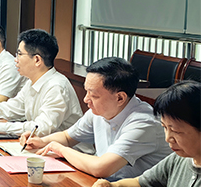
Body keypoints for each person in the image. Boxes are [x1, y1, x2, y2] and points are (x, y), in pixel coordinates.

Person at [89, 81, 201, 187]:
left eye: (176, 131)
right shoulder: (179, 159)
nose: (168, 138)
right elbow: (141, 186)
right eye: (165, 128)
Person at [24, 57, 167, 180]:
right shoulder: (100, 111)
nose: (86, 99)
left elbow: (101, 168)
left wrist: (60, 150)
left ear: (120, 98)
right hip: (106, 185)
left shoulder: (144, 123)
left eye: (93, 95)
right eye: (86, 91)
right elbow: (68, 137)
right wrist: (42, 141)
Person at [0, 29, 82, 137]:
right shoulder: (32, 82)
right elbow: (10, 108)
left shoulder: (56, 86)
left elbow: (40, 128)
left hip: (69, 153)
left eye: (20, 54)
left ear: (37, 60)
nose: (15, 60)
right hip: (42, 146)